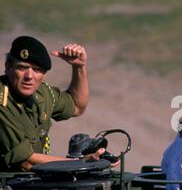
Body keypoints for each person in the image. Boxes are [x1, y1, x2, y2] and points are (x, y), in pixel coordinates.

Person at [0, 35, 104, 171]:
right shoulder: (2, 101)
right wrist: (82, 163)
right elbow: (26, 162)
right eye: (22, 67)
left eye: (37, 70)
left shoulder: (41, 93)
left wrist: (79, 67)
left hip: (33, 184)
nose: (29, 76)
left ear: (44, 74)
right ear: (8, 67)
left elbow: (77, 106)